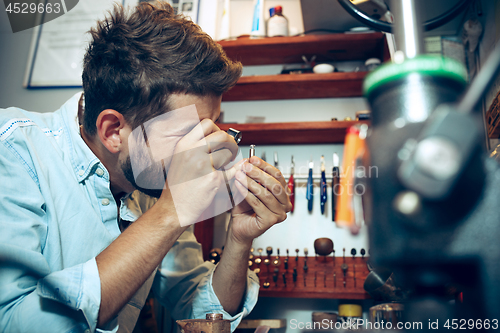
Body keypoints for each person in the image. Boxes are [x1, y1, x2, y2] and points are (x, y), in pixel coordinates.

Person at [0, 2, 292, 332]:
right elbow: (13, 322)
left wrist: (238, 239)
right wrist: (169, 213)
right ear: (113, 131)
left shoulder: (150, 183)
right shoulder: (12, 151)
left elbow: (202, 309)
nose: (205, 150)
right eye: (186, 133)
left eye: (212, 128)